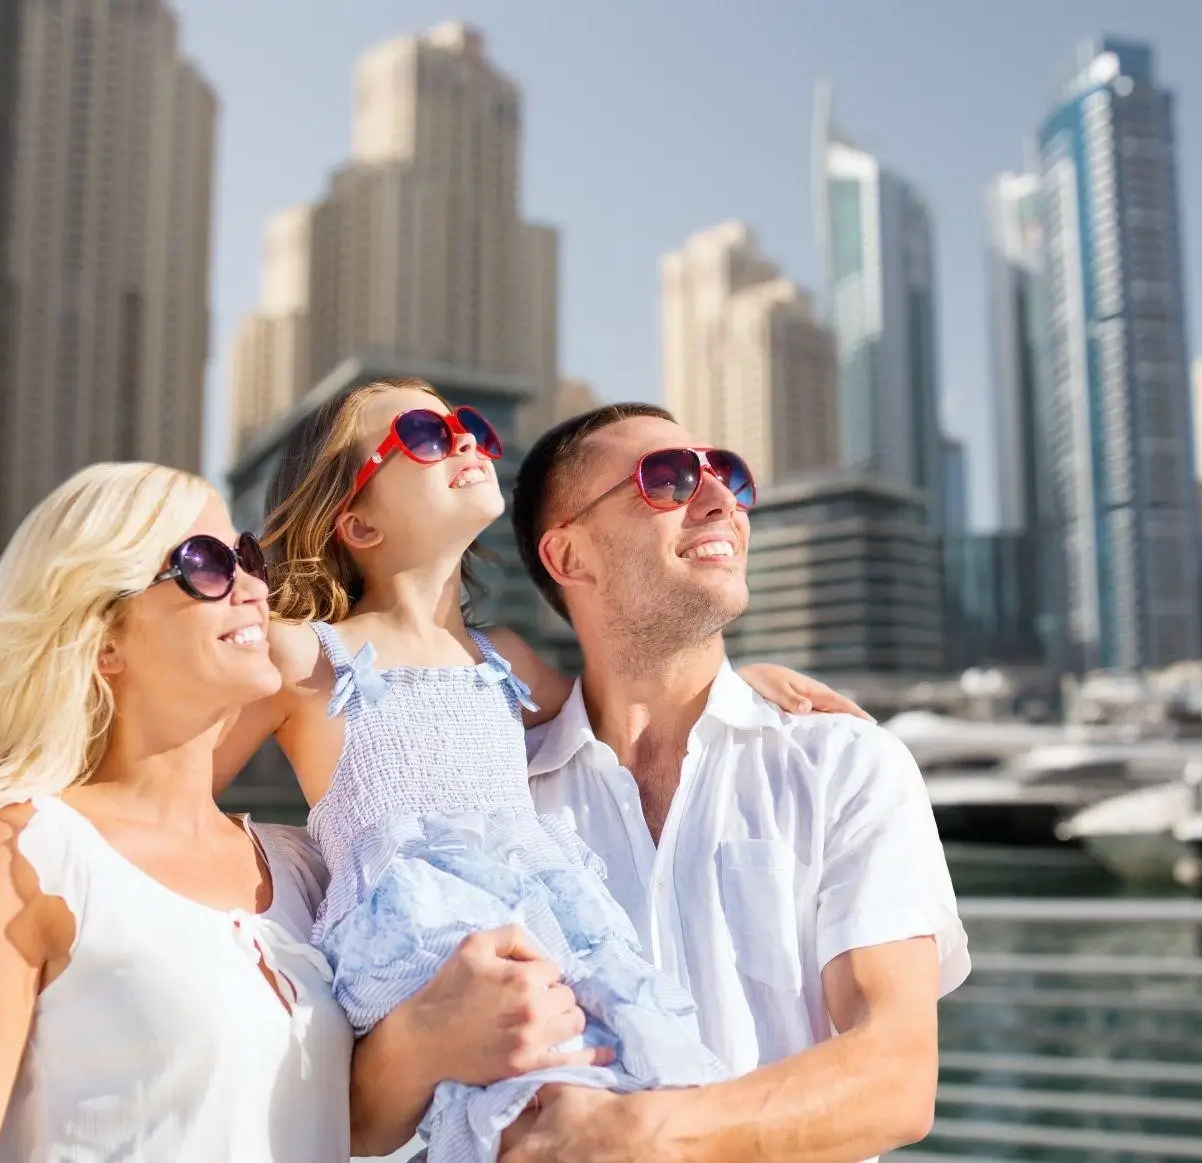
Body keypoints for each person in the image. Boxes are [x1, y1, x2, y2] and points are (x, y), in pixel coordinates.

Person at [215, 378, 850, 1160]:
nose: (465, 441)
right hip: (421, 941)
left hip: (548, 924)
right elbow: (177, 781)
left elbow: (627, 705)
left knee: (623, 1079)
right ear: (357, 521)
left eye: (468, 426)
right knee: (523, 1111)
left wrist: (739, 683)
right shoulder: (307, 653)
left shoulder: (503, 656)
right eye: (424, 432)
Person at [351, 403, 969, 1162]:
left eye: (728, 475)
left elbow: (896, 1074)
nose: (721, 500)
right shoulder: (490, 802)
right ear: (570, 555)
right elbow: (358, 1119)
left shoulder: (844, 764)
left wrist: (638, 1135)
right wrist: (419, 1039)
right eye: (667, 480)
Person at [0, 463, 353, 1161]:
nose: (254, 586)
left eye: (248, 555)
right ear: (105, 638)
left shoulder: (305, 866)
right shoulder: (27, 847)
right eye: (205, 563)